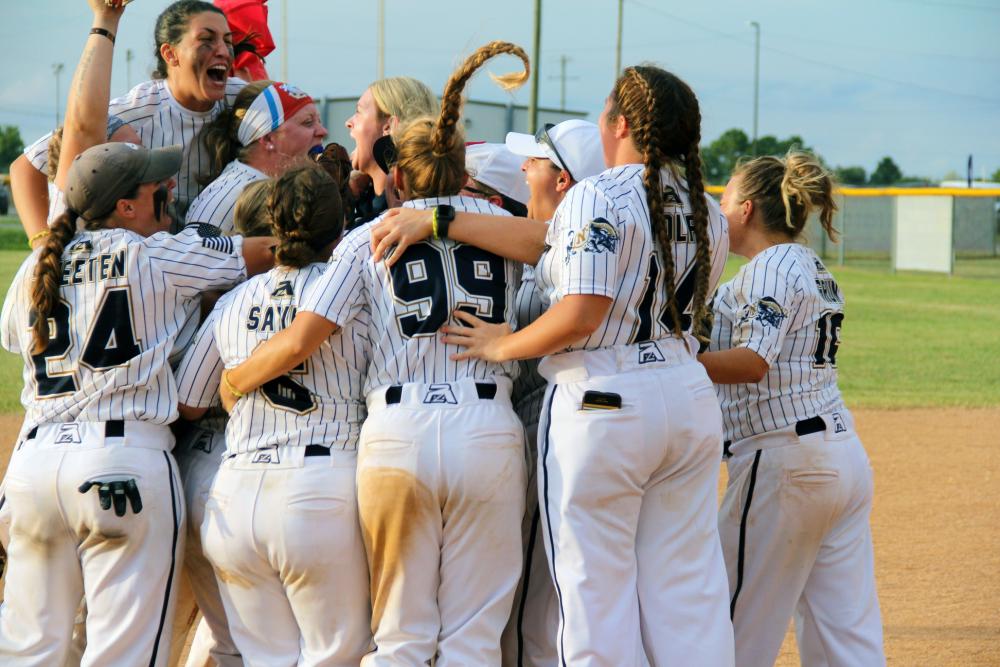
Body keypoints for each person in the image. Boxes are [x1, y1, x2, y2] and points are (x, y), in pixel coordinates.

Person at [370, 65, 735, 666]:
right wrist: (444, 219)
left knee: (593, 592)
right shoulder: (706, 209)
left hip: (606, 397)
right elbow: (549, 243)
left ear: (620, 122)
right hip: (685, 392)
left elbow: (581, 313)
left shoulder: (598, 194)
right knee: (688, 590)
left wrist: (500, 345)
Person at [219, 41, 531, 665]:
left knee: (399, 635)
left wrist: (235, 381)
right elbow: (550, 247)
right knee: (473, 635)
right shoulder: (506, 234)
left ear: (403, 173)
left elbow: (308, 329)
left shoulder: (368, 236)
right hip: (488, 428)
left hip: (399, 433)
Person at [0, 140, 274, 665]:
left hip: (33, 471)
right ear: (125, 207)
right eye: (156, 190)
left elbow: (17, 340)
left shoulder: (36, 266)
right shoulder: (154, 253)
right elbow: (262, 253)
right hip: (122, 463)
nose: (166, 196)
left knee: (29, 651)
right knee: (121, 654)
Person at [177, 166, 372, 665]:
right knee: (338, 654)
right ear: (339, 225)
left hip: (237, 494)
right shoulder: (350, 288)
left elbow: (190, 399)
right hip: (320, 487)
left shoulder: (235, 299)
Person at [699, 153, 885, 667]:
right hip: (839, 458)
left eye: (726, 196)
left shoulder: (770, 269)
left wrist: (676, 363)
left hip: (784, 463)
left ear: (747, 208)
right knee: (844, 635)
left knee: (731, 628)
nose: (719, 204)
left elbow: (753, 361)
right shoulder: (811, 266)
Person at [496, 119, 605, 667]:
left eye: (535, 161)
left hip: (551, 426)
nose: (524, 169)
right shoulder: (553, 238)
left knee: (537, 603)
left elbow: (572, 322)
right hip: (539, 425)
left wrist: (504, 344)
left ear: (563, 180)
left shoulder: (574, 251)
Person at [11, 0, 245, 240]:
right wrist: (43, 244)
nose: (224, 51)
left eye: (228, 41)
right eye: (206, 40)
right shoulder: (134, 112)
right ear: (170, 54)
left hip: (205, 259)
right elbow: (24, 168)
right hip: (140, 260)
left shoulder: (244, 101)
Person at [173, 179, 274, 667]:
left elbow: (189, 402)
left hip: (207, 465)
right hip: (299, 472)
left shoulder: (217, 297)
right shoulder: (333, 291)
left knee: (228, 639)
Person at [186, 80, 328, 233]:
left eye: (318, 121)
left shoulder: (283, 188)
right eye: (307, 122)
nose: (323, 132)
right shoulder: (227, 197)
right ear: (267, 139)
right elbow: (193, 255)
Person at [344, 76, 438, 227]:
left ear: (388, 127)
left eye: (358, 112)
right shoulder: (356, 200)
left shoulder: (419, 217)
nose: (348, 122)